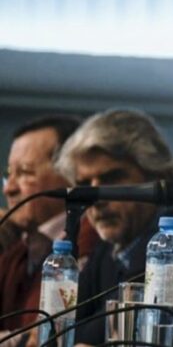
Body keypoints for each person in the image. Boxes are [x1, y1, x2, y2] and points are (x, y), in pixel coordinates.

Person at [54, 109, 173, 346]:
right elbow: (60, 331)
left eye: (112, 178)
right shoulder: (109, 248)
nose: (97, 197)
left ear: (158, 175)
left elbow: (100, 336)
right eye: (84, 184)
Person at [0, 115, 99, 346]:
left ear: (71, 176)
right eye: (8, 175)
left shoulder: (91, 238)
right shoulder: (17, 245)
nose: (9, 189)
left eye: (24, 172)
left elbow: (42, 338)